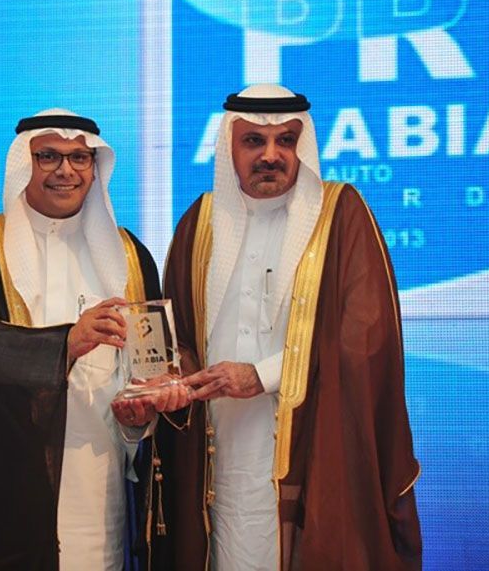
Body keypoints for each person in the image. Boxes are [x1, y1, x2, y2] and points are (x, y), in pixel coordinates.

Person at [149, 84, 422, 570]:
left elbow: (364, 341)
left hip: (315, 450)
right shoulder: (200, 223)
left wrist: (264, 375)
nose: (271, 155)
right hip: (220, 458)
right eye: (254, 141)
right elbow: (181, 338)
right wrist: (169, 379)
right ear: (230, 147)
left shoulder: (340, 215)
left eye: (286, 141)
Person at [0, 109, 184, 570]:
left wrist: (137, 421)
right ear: (24, 163)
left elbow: (147, 371)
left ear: (95, 167)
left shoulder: (130, 255)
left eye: (80, 158)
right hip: (3, 498)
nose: (66, 170)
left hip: (100, 487)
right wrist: (68, 343)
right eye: (48, 156)